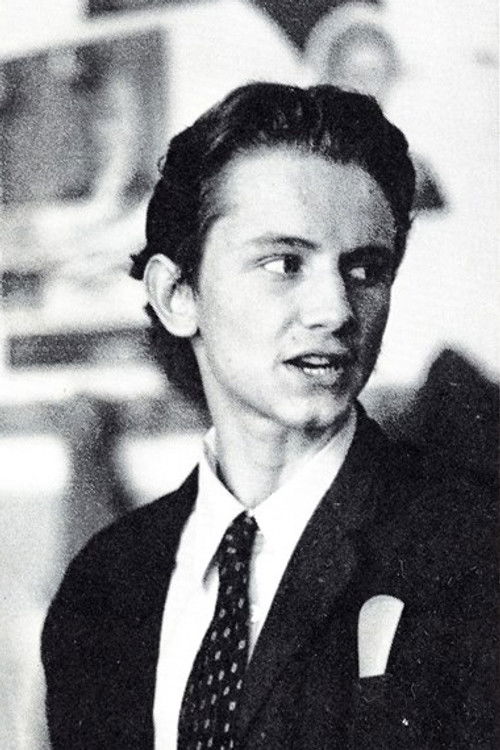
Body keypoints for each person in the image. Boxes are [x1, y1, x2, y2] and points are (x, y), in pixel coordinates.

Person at [42, 83, 496, 749]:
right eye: (285, 263)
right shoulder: (105, 584)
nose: (335, 311)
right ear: (177, 294)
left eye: (365, 270)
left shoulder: (473, 559)